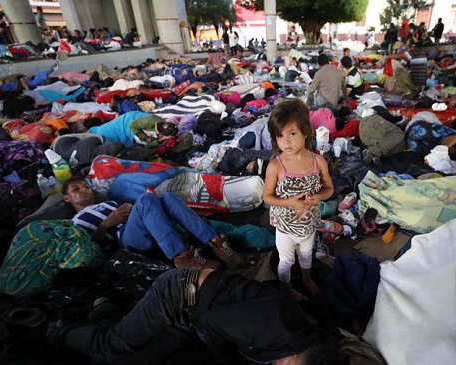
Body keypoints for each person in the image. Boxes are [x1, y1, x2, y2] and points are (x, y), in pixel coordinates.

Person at [50, 261, 341, 365]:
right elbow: (211, 323)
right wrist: (224, 358)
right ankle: (60, 330)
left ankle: (104, 309)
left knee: (134, 359)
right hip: (178, 295)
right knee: (110, 350)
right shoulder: (270, 325)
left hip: (199, 313)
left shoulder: (308, 338)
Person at [62, 176, 241, 268]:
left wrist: (131, 209)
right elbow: (86, 249)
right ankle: (183, 257)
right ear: (67, 199)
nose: (84, 190)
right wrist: (107, 223)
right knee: (146, 199)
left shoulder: (107, 203)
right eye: (76, 189)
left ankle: (217, 243)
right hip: (124, 243)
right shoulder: (77, 221)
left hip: (142, 228)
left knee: (168, 198)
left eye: (85, 185)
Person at [263, 100, 334, 301]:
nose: (285, 141)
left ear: (305, 133)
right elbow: (267, 197)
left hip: (308, 225)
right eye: (280, 135)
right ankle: (286, 288)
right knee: (286, 260)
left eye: (292, 134)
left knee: (306, 255)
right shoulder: (275, 166)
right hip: (285, 227)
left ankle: (307, 279)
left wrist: (319, 196)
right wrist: (290, 203)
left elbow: (329, 188)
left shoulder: (317, 161)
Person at [86, 112, 177, 148]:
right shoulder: (151, 120)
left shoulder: (164, 132)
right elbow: (132, 125)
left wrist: (161, 140)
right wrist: (144, 138)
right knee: (103, 139)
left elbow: (149, 145)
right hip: (125, 124)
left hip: (133, 126)